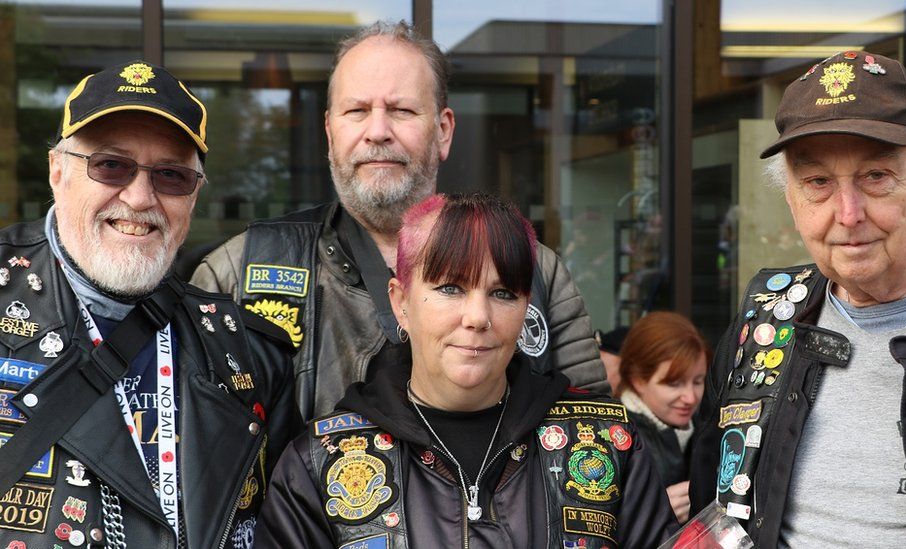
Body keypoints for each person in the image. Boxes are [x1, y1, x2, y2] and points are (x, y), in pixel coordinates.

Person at [190, 21, 608, 422]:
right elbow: (193, 445)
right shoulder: (239, 271)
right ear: (330, 133)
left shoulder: (533, 268)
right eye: (356, 110)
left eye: (402, 110)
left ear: (443, 131)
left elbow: (598, 443)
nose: (377, 131)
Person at [254, 193, 677, 548]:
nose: (477, 316)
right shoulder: (318, 464)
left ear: (527, 306)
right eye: (450, 288)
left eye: (503, 293)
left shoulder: (610, 444)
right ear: (401, 302)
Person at [0, 61, 298, 547]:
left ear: (194, 196)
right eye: (111, 165)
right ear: (58, 171)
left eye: (171, 176)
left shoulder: (252, 354)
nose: (140, 198)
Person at [688, 51, 906, 548]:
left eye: (876, 176)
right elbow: (713, 505)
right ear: (792, 203)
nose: (847, 214)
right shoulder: (765, 318)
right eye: (818, 183)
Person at [617, 311, 708, 524]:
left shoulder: (707, 427)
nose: (690, 397)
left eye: (698, 381)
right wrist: (652, 513)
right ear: (637, 380)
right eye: (674, 383)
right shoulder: (612, 437)